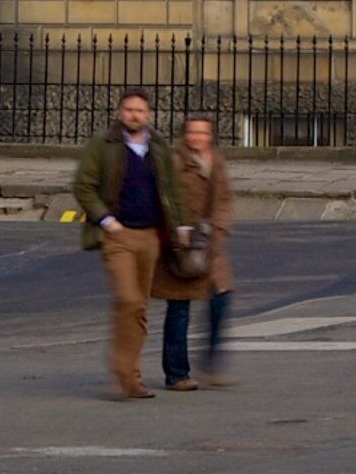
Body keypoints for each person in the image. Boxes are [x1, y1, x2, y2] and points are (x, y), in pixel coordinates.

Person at [71, 88, 191, 400]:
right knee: (127, 299)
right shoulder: (104, 144)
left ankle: (131, 378)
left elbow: (172, 189)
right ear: (120, 112)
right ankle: (122, 370)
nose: (134, 115)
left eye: (139, 111)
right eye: (129, 110)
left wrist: (181, 225)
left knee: (139, 307)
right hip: (118, 235)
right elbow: (83, 186)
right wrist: (106, 220)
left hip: (151, 235)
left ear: (148, 114)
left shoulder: (158, 145)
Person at [156, 112, 235, 390]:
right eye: (193, 132)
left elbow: (224, 198)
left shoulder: (216, 159)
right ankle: (177, 374)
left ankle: (210, 361)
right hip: (182, 246)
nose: (198, 137)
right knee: (179, 308)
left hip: (209, 244)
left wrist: (219, 228)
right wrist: (179, 230)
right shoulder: (174, 161)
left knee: (221, 299)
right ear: (184, 134)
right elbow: (165, 198)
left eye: (203, 132)